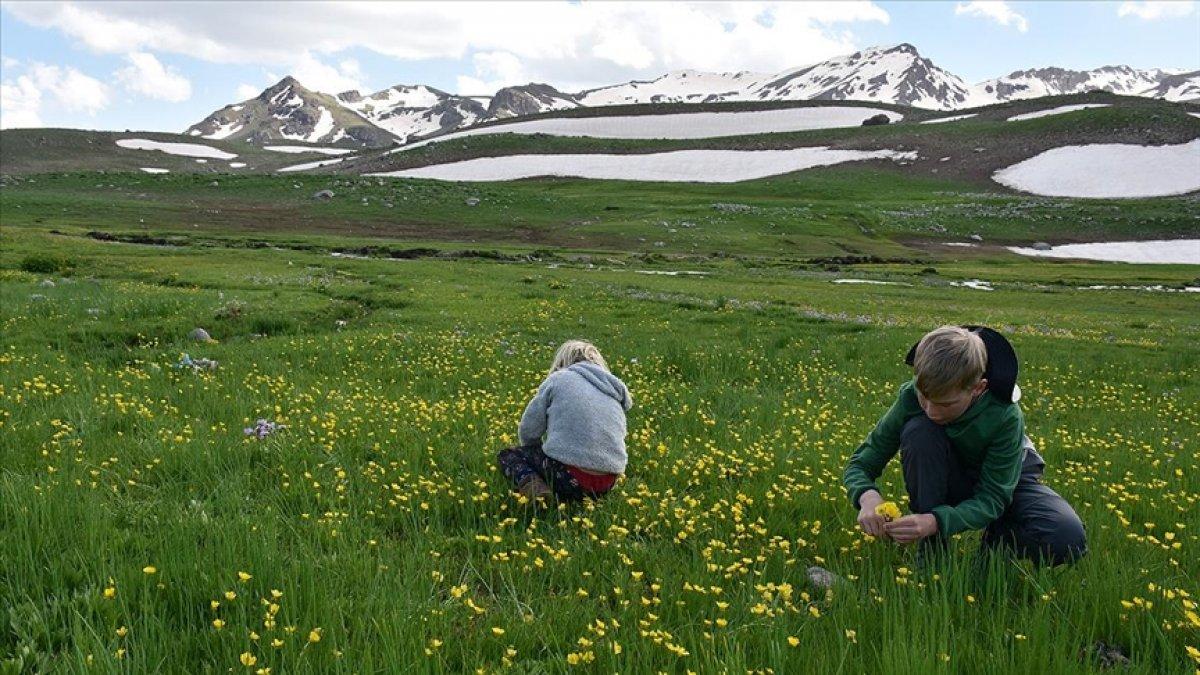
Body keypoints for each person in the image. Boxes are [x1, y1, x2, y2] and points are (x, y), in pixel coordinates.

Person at [843, 325, 1087, 566]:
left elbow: (993, 497)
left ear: (978, 388)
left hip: (1010, 482)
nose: (931, 410)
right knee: (919, 431)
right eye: (923, 397)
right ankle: (932, 552)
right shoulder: (911, 395)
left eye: (946, 404)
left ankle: (994, 549)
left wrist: (936, 520)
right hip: (955, 474)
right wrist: (867, 497)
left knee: (1067, 538)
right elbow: (861, 463)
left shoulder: (1005, 415)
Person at [497, 340, 632, 502]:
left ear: (562, 361)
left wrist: (534, 452)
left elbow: (529, 429)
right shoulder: (612, 390)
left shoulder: (558, 379)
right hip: (608, 482)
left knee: (507, 455)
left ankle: (536, 490)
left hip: (567, 477)